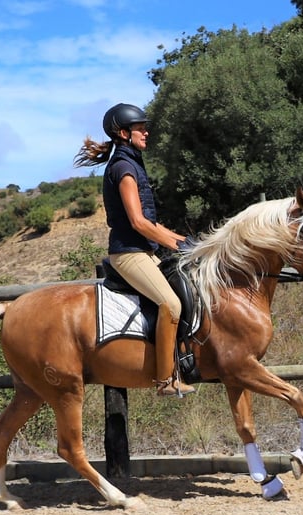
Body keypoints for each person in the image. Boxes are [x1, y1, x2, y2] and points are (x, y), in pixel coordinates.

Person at [74, 103, 196, 397]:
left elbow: (152, 223)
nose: (146, 132)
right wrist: (174, 244)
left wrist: (187, 242)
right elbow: (139, 222)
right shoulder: (124, 168)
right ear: (124, 133)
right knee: (172, 305)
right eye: (141, 128)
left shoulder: (132, 163)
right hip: (128, 254)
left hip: (144, 251)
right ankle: (166, 379)